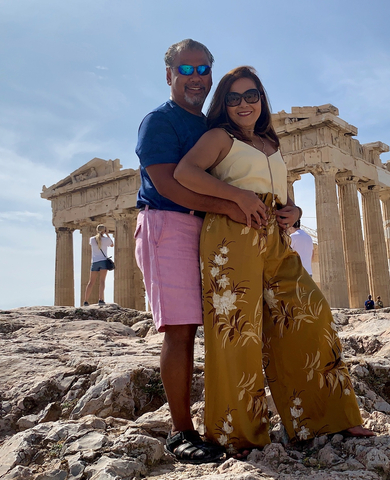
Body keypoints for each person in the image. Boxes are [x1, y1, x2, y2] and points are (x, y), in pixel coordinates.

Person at [174, 66, 373, 455]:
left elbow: (279, 192)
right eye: (233, 98)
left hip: (274, 237)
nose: (243, 104)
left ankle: (324, 417)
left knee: (310, 313)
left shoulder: (270, 141)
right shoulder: (219, 137)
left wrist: (293, 212)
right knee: (238, 332)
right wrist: (233, 199)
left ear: (261, 99)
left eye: (251, 96)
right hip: (232, 235)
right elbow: (185, 173)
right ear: (224, 105)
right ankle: (239, 435)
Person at [134, 39, 265, 464]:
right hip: (167, 224)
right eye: (186, 70)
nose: (196, 79)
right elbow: (169, 184)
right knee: (181, 326)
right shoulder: (158, 121)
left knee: (222, 322)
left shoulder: (214, 124)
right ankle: (180, 431)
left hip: (209, 229)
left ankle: (225, 416)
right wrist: (232, 204)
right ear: (169, 74)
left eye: (203, 69)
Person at [83, 224, 114, 306]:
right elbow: (112, 244)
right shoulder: (106, 239)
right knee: (102, 281)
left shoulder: (92, 239)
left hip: (94, 262)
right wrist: (107, 234)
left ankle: (85, 301)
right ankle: (101, 299)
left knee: (91, 282)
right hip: (103, 261)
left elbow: (94, 243)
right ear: (104, 230)